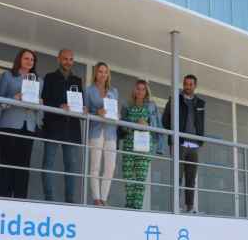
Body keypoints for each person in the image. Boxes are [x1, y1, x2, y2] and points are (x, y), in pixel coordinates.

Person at [0, 49, 40, 199]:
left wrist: (38, 104)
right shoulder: (8, 76)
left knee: (24, 166)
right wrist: (15, 98)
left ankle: (20, 200)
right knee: (7, 164)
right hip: (9, 124)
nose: (29, 62)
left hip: (29, 126)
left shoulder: (38, 80)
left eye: (32, 60)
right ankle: (4, 198)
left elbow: (39, 109)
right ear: (19, 59)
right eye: (26, 58)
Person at [41, 49, 83, 203]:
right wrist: (59, 106)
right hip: (53, 124)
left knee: (71, 166)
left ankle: (70, 200)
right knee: (48, 163)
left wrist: (83, 108)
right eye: (65, 59)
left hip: (72, 128)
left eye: (71, 59)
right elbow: (44, 99)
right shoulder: (50, 77)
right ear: (59, 59)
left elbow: (81, 102)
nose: (68, 62)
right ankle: (49, 198)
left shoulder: (77, 80)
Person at [162, 75, 205, 213]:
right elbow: (165, 119)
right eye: (186, 84)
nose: (188, 87)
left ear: (195, 86)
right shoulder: (175, 99)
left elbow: (200, 123)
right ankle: (176, 206)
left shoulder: (200, 103)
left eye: (191, 84)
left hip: (194, 146)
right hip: (179, 143)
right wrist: (174, 136)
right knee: (177, 177)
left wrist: (200, 139)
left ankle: (189, 207)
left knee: (191, 179)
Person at [120, 80, 165, 210]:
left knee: (140, 178)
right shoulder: (127, 105)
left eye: (143, 89)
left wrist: (147, 125)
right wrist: (134, 124)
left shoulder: (151, 106)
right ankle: (129, 206)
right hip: (129, 144)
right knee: (128, 177)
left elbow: (158, 126)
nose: (140, 91)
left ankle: (137, 207)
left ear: (146, 91)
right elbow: (121, 126)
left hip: (145, 146)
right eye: (138, 89)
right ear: (134, 90)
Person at [84, 62, 118, 206]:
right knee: (95, 166)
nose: (103, 74)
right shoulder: (89, 90)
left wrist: (117, 115)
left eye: (105, 72)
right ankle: (96, 198)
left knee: (110, 167)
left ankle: (104, 198)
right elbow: (85, 110)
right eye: (100, 71)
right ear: (95, 73)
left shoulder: (113, 91)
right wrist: (96, 112)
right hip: (96, 131)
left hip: (110, 132)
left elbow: (114, 110)